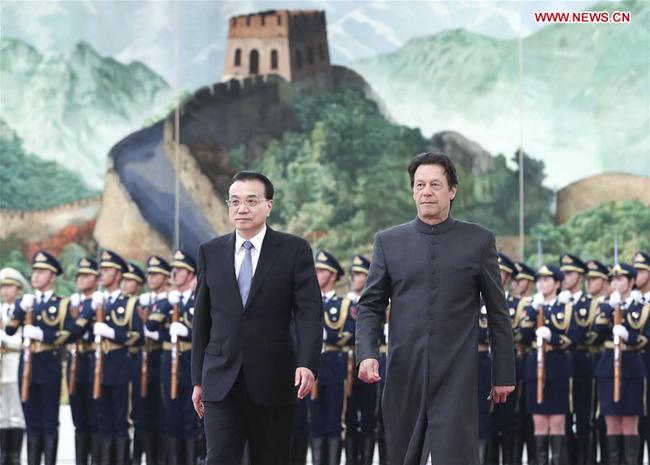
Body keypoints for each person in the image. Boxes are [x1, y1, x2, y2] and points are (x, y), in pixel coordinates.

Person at [355, 152, 516, 465]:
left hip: (458, 371)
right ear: (412, 190)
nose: (426, 191)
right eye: (419, 185)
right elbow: (371, 305)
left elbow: (498, 312)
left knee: (455, 456)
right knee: (401, 455)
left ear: (452, 190)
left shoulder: (479, 240)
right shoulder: (388, 241)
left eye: (435, 184)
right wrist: (367, 354)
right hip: (404, 370)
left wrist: (503, 373)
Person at [190, 171, 323, 465]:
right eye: (235, 201)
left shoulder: (293, 250)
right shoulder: (210, 252)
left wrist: (307, 363)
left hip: (274, 378)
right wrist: (197, 379)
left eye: (251, 201)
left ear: (268, 206)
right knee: (219, 457)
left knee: (271, 458)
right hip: (220, 379)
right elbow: (202, 320)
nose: (242, 208)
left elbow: (309, 313)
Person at [5, 251, 73, 465]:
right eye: (34, 271)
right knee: (32, 422)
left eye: (41, 272)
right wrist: (19, 310)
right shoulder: (26, 302)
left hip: (48, 363)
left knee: (49, 422)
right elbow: (9, 330)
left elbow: (69, 333)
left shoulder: (62, 304)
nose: (35, 276)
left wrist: (44, 335)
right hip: (27, 365)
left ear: (52, 276)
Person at [147, 249, 201, 464]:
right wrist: (167, 303)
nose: (174, 274)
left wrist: (186, 332)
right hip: (169, 363)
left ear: (190, 274)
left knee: (190, 420)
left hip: (189, 362)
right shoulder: (171, 301)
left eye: (179, 270)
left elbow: (206, 333)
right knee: (171, 420)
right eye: (173, 270)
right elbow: (151, 325)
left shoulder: (198, 300)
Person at [519, 265, 574, 465]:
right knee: (540, 422)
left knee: (557, 422)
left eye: (546, 279)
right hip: (536, 366)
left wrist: (554, 338)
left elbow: (574, 338)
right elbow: (521, 336)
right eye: (539, 279)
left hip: (557, 366)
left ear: (557, 283)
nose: (541, 282)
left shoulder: (566, 308)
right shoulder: (532, 307)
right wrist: (533, 311)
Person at [594, 263, 647, 465]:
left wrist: (628, 336)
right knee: (612, 423)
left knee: (630, 423)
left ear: (632, 281)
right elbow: (594, 336)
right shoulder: (605, 307)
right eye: (613, 279)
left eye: (621, 279)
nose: (616, 283)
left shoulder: (641, 308)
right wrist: (609, 309)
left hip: (632, 366)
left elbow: (645, 338)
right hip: (608, 367)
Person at [308, 251, 355, 465]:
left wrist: (329, 336)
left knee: (335, 422)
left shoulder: (344, 305)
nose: (316, 274)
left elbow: (352, 333)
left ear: (333, 275)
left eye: (321, 271)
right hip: (310, 367)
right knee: (314, 422)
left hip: (333, 365)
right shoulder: (307, 302)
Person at [67, 257, 101, 465]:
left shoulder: (100, 303)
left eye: (86, 275)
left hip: (94, 362)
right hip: (75, 363)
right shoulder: (73, 304)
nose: (81, 279)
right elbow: (69, 333)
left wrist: (88, 309)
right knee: (79, 421)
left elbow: (76, 330)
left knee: (96, 418)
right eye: (79, 275)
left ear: (96, 279)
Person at [0, 268, 28, 465]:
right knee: (1, 414)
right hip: (1, 367)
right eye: (2, 286)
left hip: (16, 362)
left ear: (18, 288)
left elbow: (24, 339)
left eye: (9, 286)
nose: (4, 290)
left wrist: (5, 339)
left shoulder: (24, 311)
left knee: (16, 413)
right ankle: (3, 455)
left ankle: (15, 456)